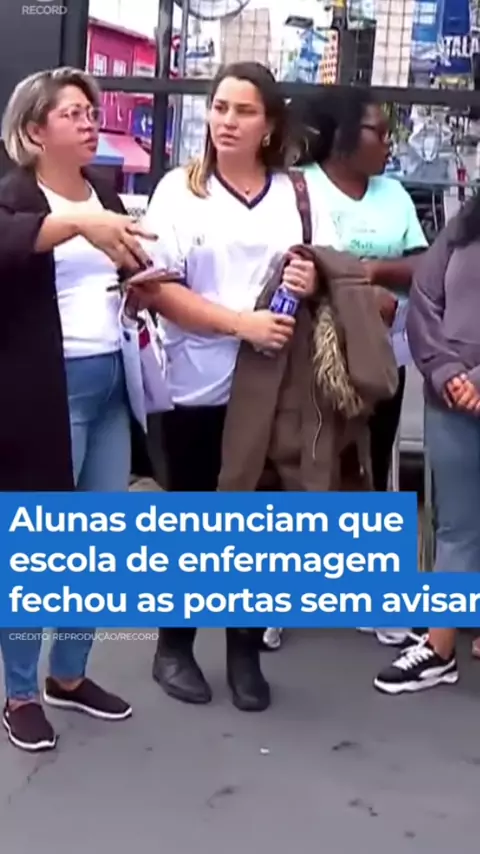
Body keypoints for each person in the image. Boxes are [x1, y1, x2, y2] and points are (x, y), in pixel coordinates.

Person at [132, 61, 339, 712]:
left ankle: (244, 652)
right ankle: (174, 646)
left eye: (243, 111)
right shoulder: (179, 191)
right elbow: (156, 289)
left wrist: (311, 280)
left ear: (269, 124)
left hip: (275, 389)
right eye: (219, 107)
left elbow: (329, 267)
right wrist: (239, 324)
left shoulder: (298, 194)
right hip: (194, 386)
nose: (227, 121)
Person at [0, 67, 156, 752]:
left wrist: (141, 280)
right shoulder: (14, 196)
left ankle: (69, 673)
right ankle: (19, 692)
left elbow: (117, 268)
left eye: (93, 112)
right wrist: (78, 225)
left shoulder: (103, 193)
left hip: (111, 384)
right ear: (36, 132)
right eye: (73, 113)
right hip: (44, 391)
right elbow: (13, 245)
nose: (90, 122)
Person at [293, 88, 428, 649]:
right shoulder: (299, 188)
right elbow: (292, 265)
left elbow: (423, 263)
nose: (389, 143)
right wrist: (355, 291)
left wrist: (369, 270)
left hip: (380, 358)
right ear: (344, 135)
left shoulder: (393, 195)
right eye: (378, 131)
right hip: (314, 358)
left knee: (370, 468)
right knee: (303, 465)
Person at [374, 196, 480, 694]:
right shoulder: (465, 224)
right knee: (457, 526)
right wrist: (446, 372)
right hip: (451, 400)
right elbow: (424, 299)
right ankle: (440, 649)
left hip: (464, 391)